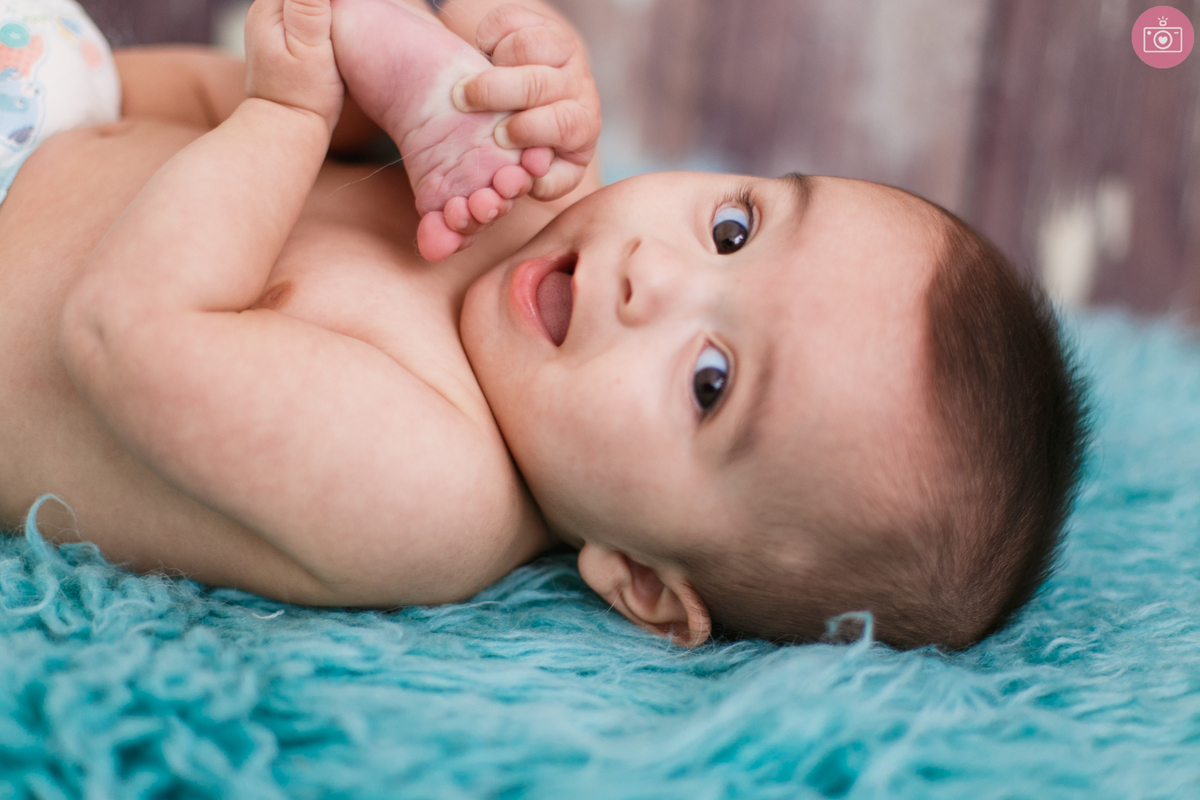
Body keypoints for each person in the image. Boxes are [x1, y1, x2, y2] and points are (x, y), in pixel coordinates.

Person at [0, 0, 1086, 651]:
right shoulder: (541, 206)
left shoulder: (431, 486)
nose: (652, 273)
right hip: (62, 86)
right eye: (735, 224)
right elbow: (368, 71)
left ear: (645, 583)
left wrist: (286, 114)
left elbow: (123, 329)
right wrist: (495, 50)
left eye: (711, 380)